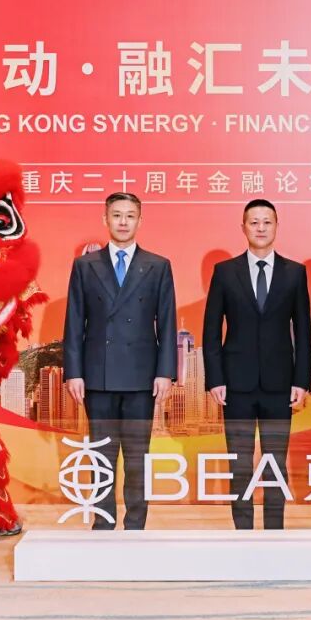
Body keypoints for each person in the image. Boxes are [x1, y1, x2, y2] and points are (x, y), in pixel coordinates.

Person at [63, 192, 177, 529]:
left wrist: (165, 372)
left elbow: (167, 322)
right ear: (105, 219)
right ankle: (103, 523)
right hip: (98, 376)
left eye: (130, 215)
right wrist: (74, 373)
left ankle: (136, 525)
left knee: (138, 456)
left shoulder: (158, 265)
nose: (123, 222)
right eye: (116, 215)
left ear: (140, 220)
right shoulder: (85, 266)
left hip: (142, 377)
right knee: (102, 455)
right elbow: (74, 323)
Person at [203, 199, 311, 529]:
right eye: (254, 222)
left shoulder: (295, 272)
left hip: (280, 385)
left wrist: (301, 380)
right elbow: (211, 330)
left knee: (275, 463)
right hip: (235, 384)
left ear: (276, 226)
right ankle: (243, 532)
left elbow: (303, 331)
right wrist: (215, 379)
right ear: (243, 227)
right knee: (239, 464)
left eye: (267, 222)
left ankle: (274, 532)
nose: (261, 228)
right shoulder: (225, 272)